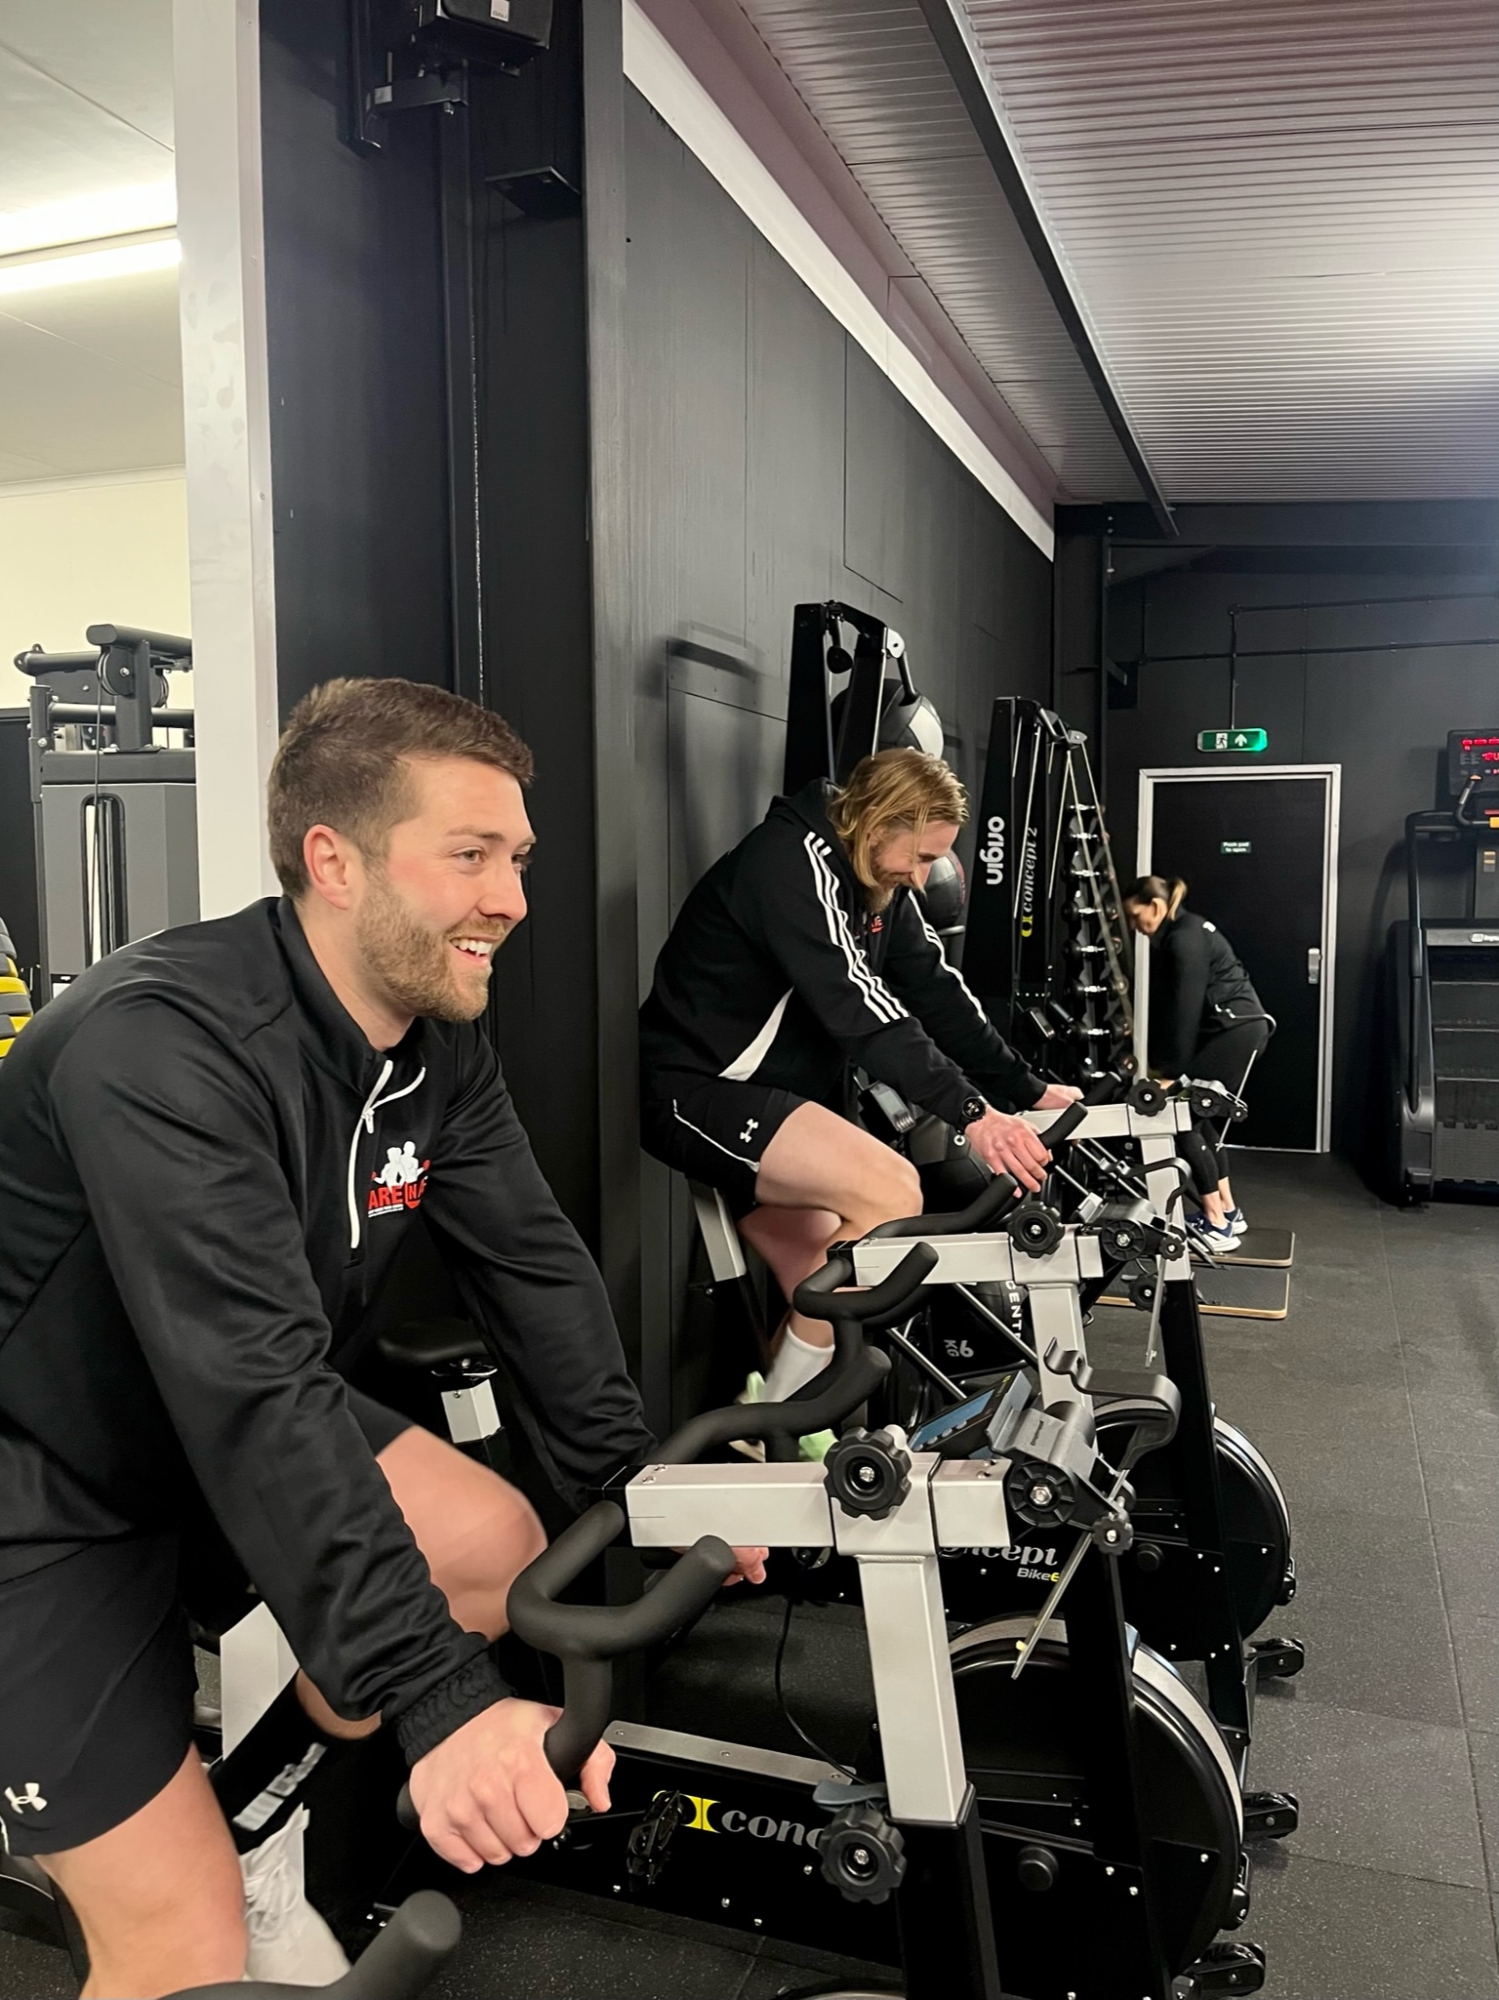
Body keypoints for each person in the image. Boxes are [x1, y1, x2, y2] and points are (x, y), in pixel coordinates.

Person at [0, 677, 763, 1999]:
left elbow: (530, 1263)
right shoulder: (161, 1045)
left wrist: (635, 1483)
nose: (510, 897)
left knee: (493, 1545)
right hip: (39, 1485)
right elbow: (256, 1386)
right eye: (469, 854)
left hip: (196, 1413)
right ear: (333, 860)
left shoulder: (428, 1040)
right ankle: (192, 1883)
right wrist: (438, 1697)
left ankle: (252, 1818)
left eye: (516, 857)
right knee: (184, 1949)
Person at [639, 748, 1080, 1430]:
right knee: (889, 1194)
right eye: (921, 856)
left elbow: (933, 992)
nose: (922, 876)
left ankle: (783, 1439)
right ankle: (770, 1429)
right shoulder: (790, 862)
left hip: (776, 1103)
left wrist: (1025, 1088)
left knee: (836, 1296)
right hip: (698, 1090)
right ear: (877, 823)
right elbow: (860, 1009)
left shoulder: (874, 882)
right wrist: (972, 1113)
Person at [1123, 873, 1274, 1249]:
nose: (1134, 926)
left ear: (1155, 906)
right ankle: (1228, 1211)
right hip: (1240, 1029)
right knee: (1200, 1117)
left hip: (1234, 1032)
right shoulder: (1188, 929)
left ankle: (1215, 1223)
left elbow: (1185, 1012)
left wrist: (1170, 1074)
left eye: (1135, 915)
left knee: (1180, 1114)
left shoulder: (1184, 938)